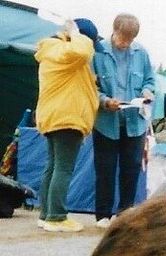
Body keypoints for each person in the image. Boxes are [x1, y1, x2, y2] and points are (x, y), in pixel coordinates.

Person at [34, 18, 99, 233]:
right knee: (63, 168)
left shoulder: (53, 52)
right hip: (67, 117)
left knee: (52, 167)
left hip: (54, 117)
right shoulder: (65, 51)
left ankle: (46, 214)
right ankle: (57, 217)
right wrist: (77, 33)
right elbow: (81, 53)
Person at [91, 14, 155, 228]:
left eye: (130, 39)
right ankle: (102, 215)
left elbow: (150, 80)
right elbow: (91, 87)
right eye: (122, 38)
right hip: (106, 122)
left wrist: (148, 90)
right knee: (105, 170)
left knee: (131, 170)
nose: (126, 43)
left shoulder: (141, 53)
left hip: (135, 123)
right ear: (114, 31)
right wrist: (105, 101)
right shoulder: (97, 53)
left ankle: (125, 214)